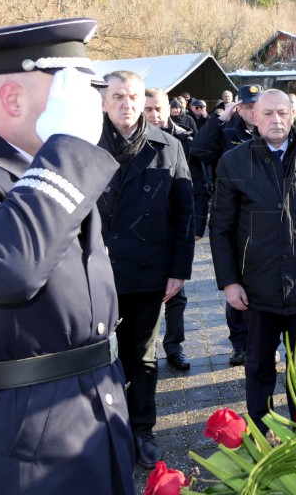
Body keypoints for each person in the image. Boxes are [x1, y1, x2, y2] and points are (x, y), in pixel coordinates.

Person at [0, 18, 135, 494]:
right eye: (67, 94)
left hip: (98, 406)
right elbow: (10, 268)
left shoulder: (42, 164)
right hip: (20, 434)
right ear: (13, 98)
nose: (86, 108)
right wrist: (67, 149)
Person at [208, 88, 296, 434]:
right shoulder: (234, 162)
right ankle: (261, 428)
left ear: (293, 115)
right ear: (254, 116)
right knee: (258, 366)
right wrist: (229, 281)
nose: (275, 120)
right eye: (267, 113)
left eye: (282, 113)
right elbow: (221, 228)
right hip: (257, 289)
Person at [98, 70, 195, 469]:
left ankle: (142, 430)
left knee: (142, 356)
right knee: (97, 357)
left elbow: (184, 213)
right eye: (117, 96)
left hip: (148, 271)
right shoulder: (82, 143)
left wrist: (178, 270)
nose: (127, 103)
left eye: (133, 96)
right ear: (103, 101)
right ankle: (101, 430)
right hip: (93, 275)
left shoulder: (168, 147)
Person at [192, 84, 262, 366]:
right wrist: (218, 119)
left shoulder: (271, 133)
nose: (253, 112)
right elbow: (198, 150)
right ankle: (240, 344)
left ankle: (262, 342)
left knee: (264, 284)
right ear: (238, 108)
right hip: (233, 219)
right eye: (246, 107)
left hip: (263, 219)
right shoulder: (229, 134)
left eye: (256, 107)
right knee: (236, 282)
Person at [143, 87, 200, 373]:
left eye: (159, 109)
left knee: (177, 297)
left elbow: (188, 195)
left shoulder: (181, 139)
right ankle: (146, 350)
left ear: (170, 109)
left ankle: (174, 344)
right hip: (142, 239)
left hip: (171, 233)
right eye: (148, 109)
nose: (154, 115)